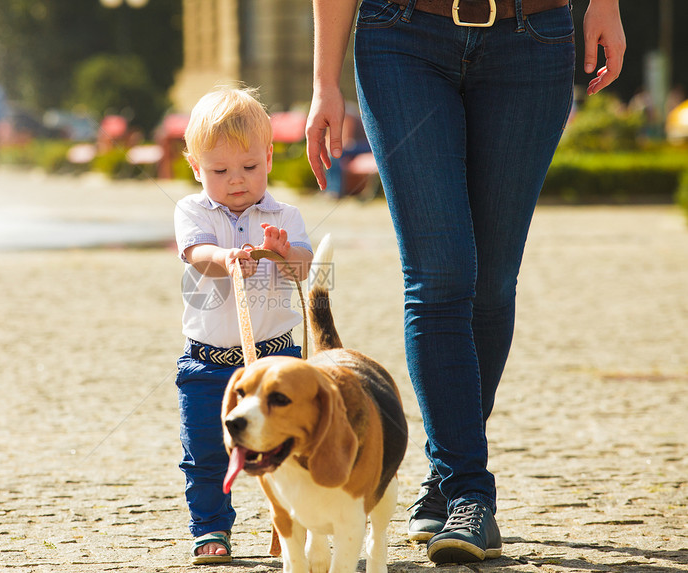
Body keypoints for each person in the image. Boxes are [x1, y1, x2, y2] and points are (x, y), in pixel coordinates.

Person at [306, 0, 624, 565]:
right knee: (440, 276)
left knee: (493, 283)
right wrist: (323, 80)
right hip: (400, 37)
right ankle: (471, 493)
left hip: (532, 37)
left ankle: (445, 472)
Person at [173, 87, 313, 565]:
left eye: (249, 168)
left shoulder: (284, 214)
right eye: (219, 171)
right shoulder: (193, 211)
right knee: (206, 452)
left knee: (290, 448)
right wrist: (226, 257)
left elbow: (304, 269)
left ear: (269, 158)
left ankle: (289, 525)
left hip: (277, 359)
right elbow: (197, 254)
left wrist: (284, 252)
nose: (236, 181)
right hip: (209, 363)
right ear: (196, 167)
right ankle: (211, 526)